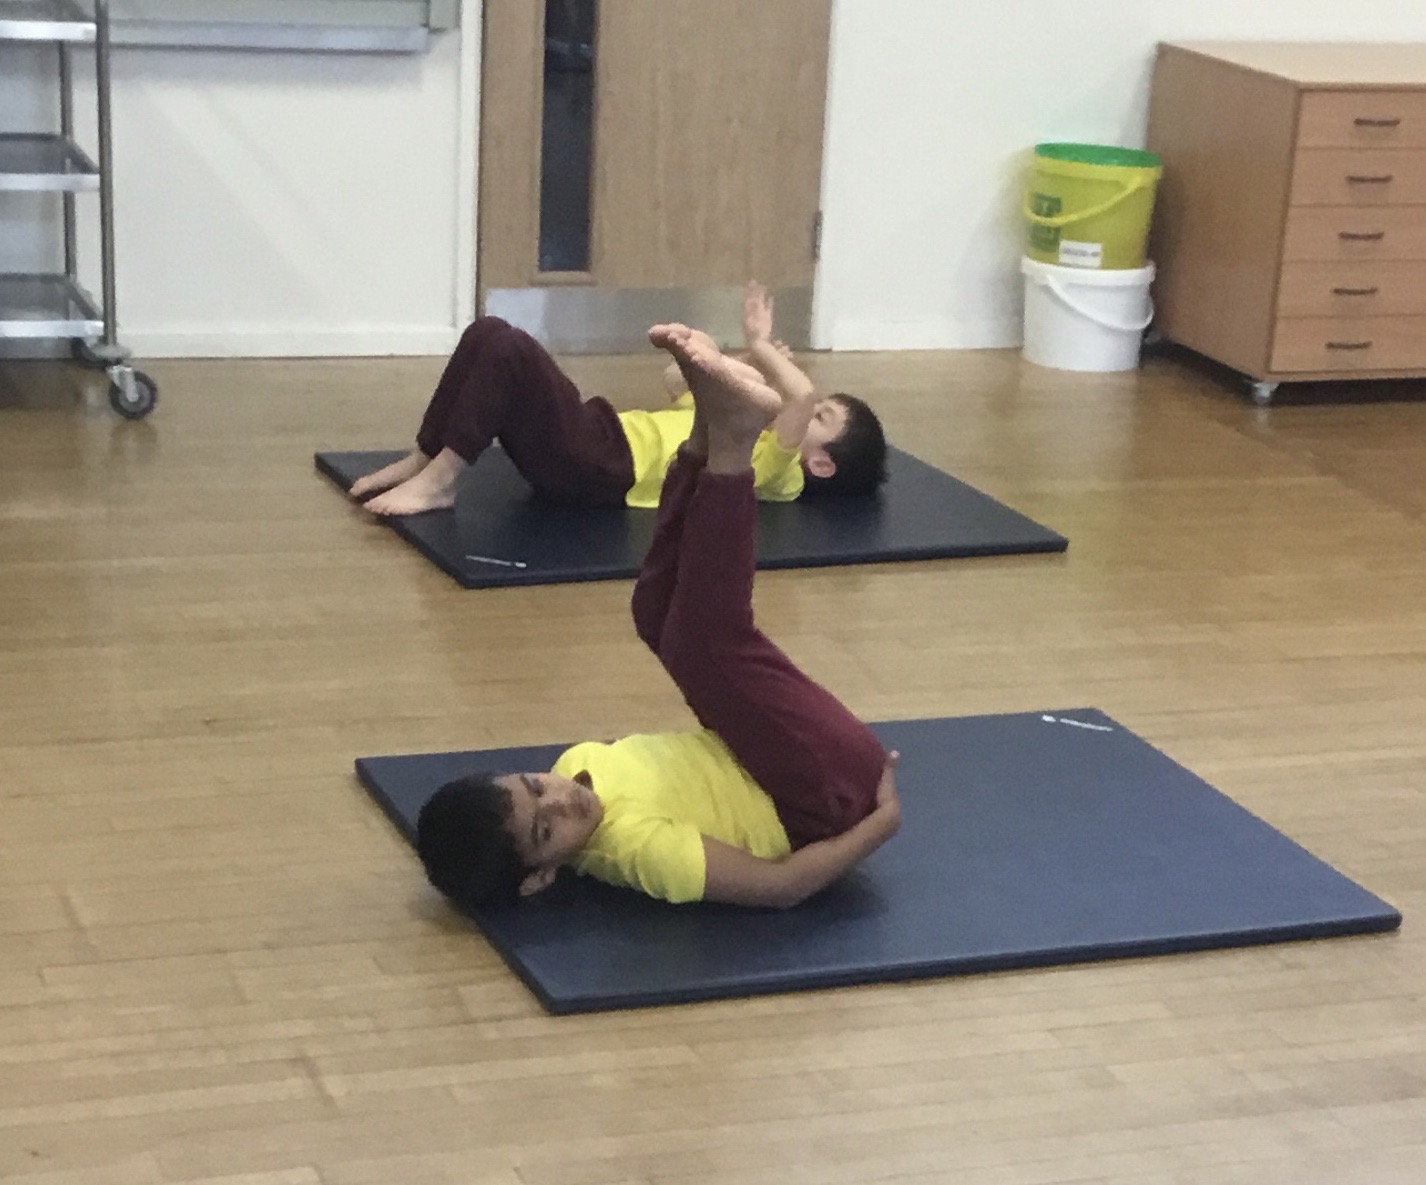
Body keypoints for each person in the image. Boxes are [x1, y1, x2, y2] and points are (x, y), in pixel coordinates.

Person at [415, 322, 901, 908]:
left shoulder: (576, 763)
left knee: (653, 613)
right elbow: (782, 888)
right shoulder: (635, 850)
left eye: (535, 786)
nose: (562, 800)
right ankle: (731, 447)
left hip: (773, 760)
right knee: (707, 643)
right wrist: (883, 823)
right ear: (540, 877)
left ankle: (704, 433)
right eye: (546, 831)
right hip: (827, 798)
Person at [350, 284, 887, 516]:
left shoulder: (773, 470)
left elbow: (800, 394)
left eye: (822, 418)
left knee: (510, 351)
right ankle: (426, 457)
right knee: (488, 332)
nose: (809, 408)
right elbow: (676, 381)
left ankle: (441, 483)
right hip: (598, 434)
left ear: (821, 463)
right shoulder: (734, 423)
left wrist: (761, 346)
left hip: (602, 467)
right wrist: (740, 362)